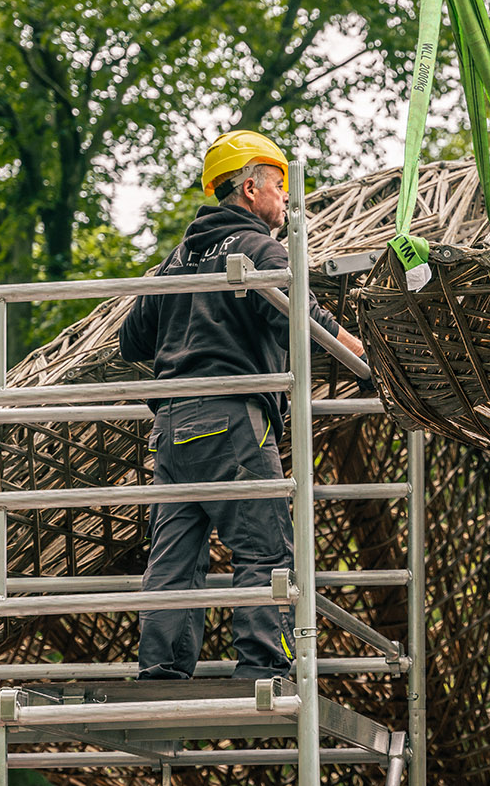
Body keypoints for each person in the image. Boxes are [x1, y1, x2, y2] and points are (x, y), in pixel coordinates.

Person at [118, 129, 367, 680]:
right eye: (280, 187)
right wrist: (367, 360)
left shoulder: (178, 259)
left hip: (173, 429)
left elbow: (131, 340)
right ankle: (262, 668)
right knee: (264, 548)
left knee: (174, 559)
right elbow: (304, 321)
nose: (284, 200)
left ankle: (160, 673)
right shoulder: (258, 247)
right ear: (250, 188)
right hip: (232, 422)